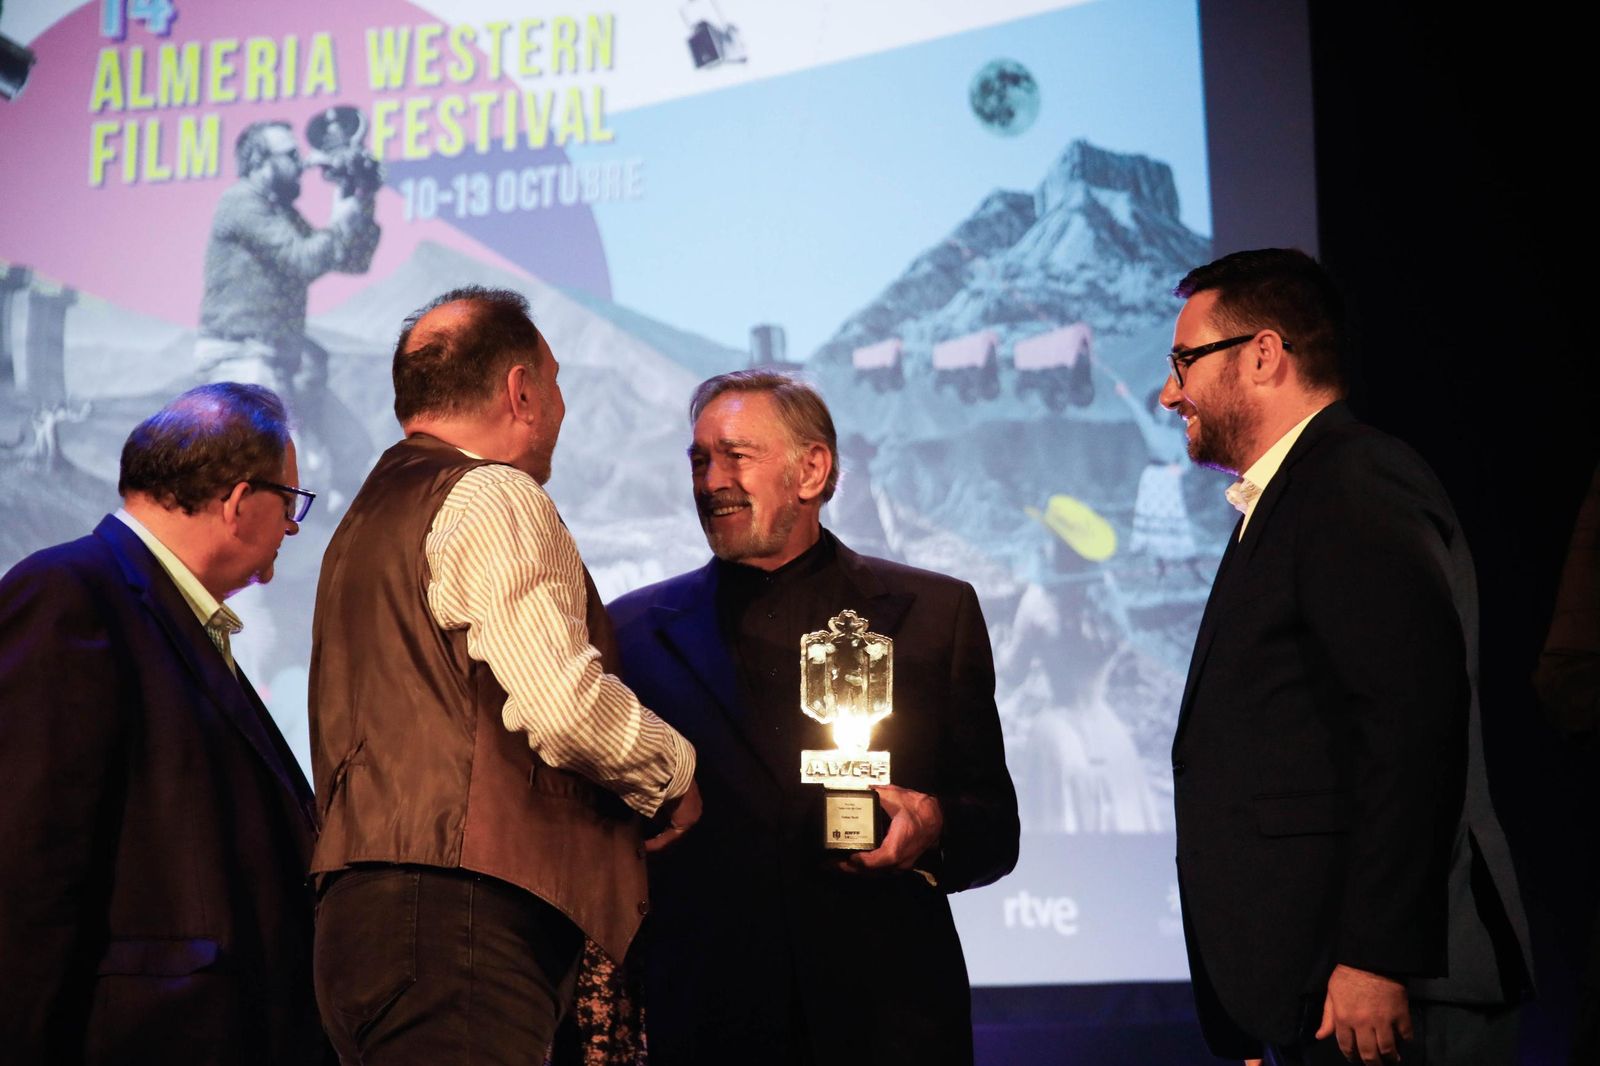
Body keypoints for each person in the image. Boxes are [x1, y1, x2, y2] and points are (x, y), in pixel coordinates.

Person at [308, 286, 700, 1064]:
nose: (559, 411)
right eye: (555, 388)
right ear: (521, 391)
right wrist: (673, 773)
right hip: (460, 928)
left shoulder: (364, 520)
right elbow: (562, 706)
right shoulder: (490, 494)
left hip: (361, 927)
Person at [1161, 249, 1533, 1065]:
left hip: (1389, 989)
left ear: (1262, 355)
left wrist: (1374, 956)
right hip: (1318, 990)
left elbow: (1411, 724)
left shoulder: (1353, 480)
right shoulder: (1295, 496)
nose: (1169, 391)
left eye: (1183, 361)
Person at [608, 370, 1020, 1065]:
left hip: (886, 1020)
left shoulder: (931, 614)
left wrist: (934, 825)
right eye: (699, 460)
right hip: (709, 1020)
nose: (711, 482)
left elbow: (995, 827)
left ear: (812, 470)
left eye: (735, 455)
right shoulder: (636, 631)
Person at [0, 383, 325, 1063]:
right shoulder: (70, 596)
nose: (294, 527)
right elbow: (29, 864)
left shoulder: (176, 613)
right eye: (290, 502)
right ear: (240, 504)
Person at [196, 119, 380, 498]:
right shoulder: (241, 202)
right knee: (287, 475)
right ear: (261, 161)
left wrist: (360, 198)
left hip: (280, 361)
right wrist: (339, 217)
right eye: (292, 155)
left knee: (353, 453)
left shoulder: (279, 212)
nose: (305, 162)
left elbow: (351, 259)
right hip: (242, 359)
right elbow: (303, 259)